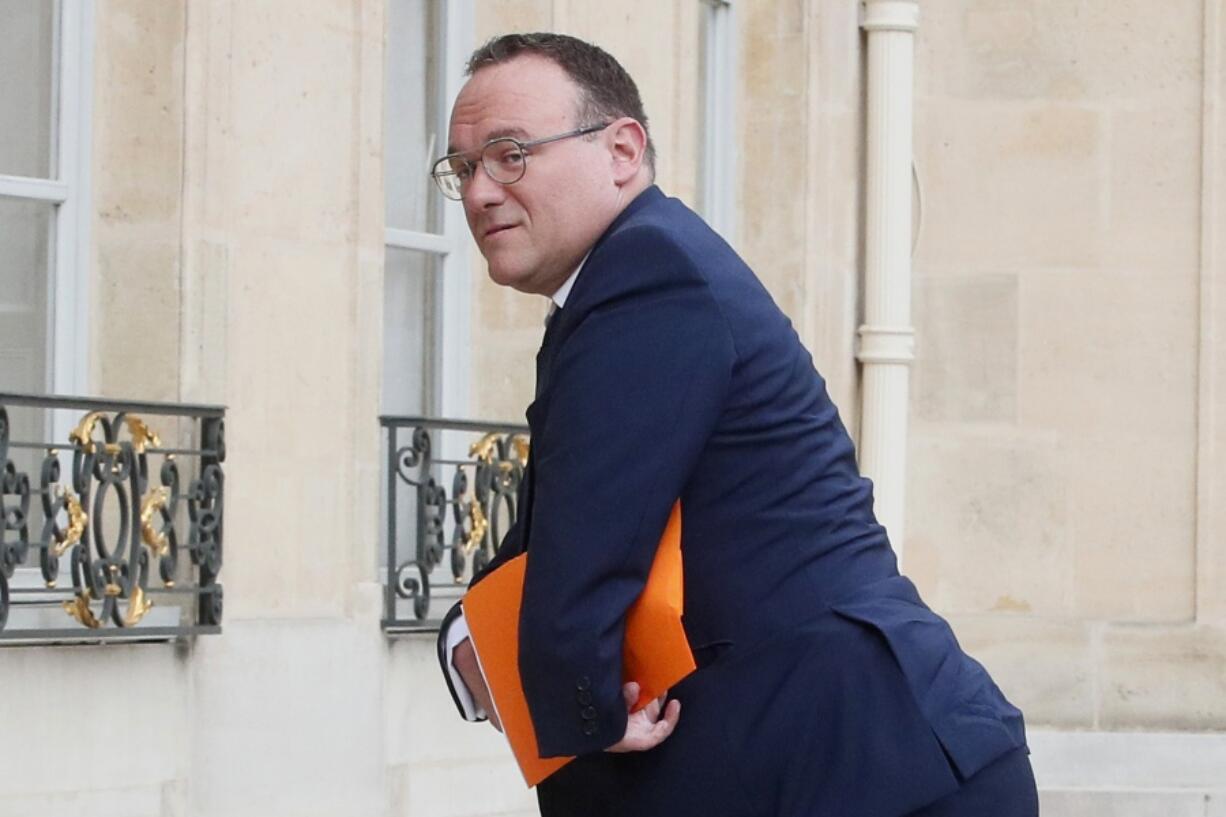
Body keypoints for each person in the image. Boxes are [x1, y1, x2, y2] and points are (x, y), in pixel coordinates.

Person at [431, 32, 1038, 817]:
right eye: (464, 167)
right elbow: (562, 538)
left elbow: (584, 554)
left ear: (622, 150)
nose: (480, 190)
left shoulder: (647, 272)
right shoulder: (622, 280)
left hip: (877, 770)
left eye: (511, 153)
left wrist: (580, 694)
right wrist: (471, 641)